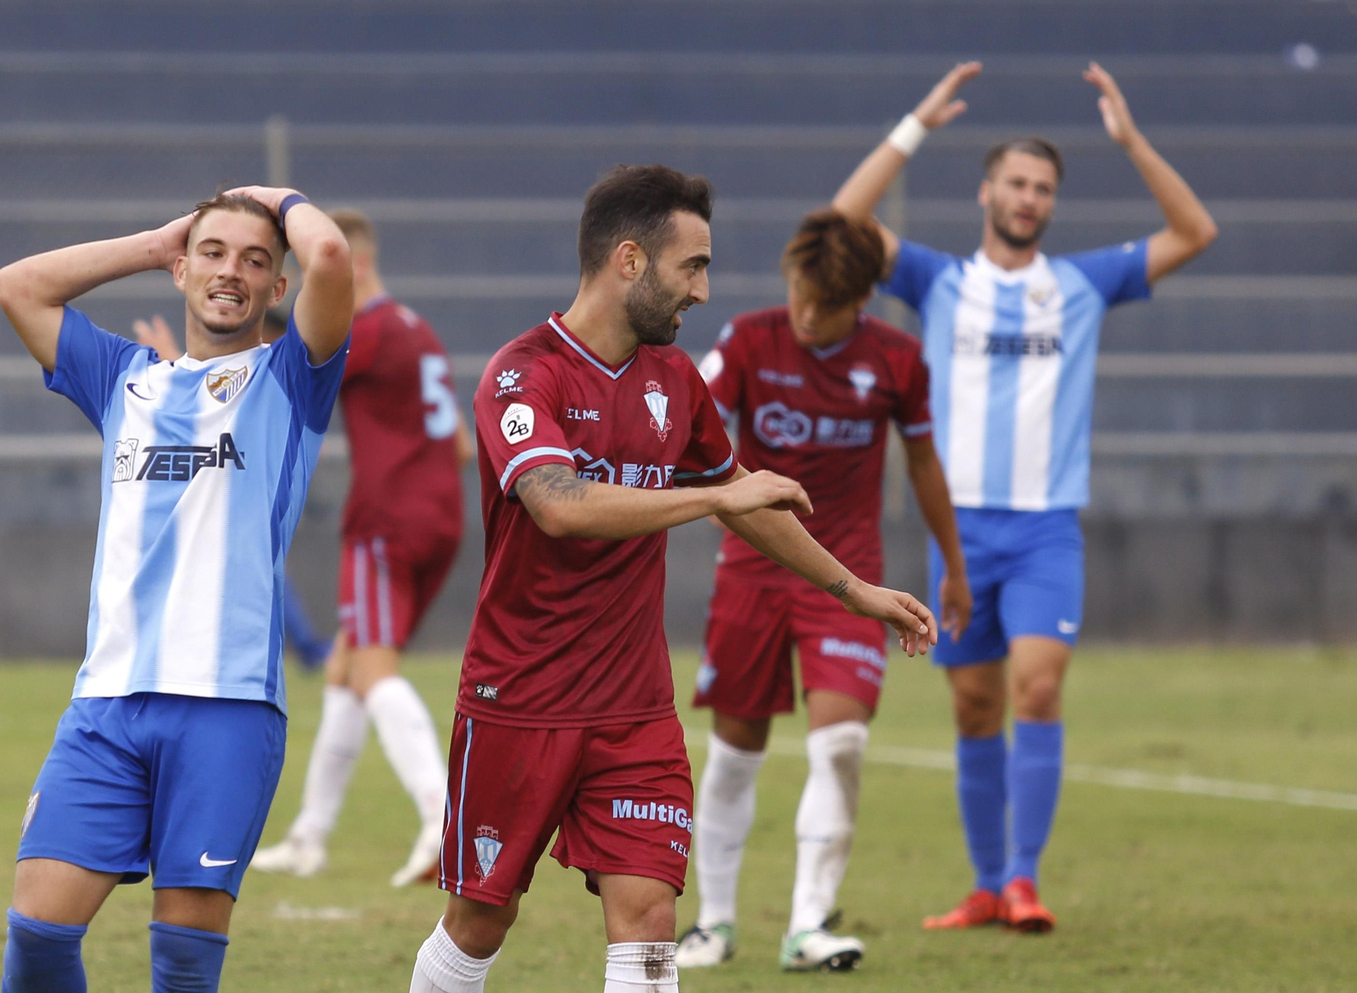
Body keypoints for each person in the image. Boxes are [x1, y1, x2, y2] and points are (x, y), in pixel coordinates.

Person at [407, 164, 936, 993]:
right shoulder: (522, 375)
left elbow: (745, 504)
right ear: (629, 261)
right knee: (482, 920)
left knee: (650, 922)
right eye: (692, 266)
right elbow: (560, 506)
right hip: (521, 700)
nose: (704, 290)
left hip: (635, 708)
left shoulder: (673, 379)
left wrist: (854, 591)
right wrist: (712, 496)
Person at [832, 61, 1217, 932]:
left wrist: (1131, 141)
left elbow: (1195, 229)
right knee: (974, 704)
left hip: (1046, 529)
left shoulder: (1084, 282)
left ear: (1051, 203)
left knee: (1037, 691)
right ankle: (983, 884)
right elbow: (840, 222)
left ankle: (1023, 879)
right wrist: (914, 125)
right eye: (1015, 181)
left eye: (1042, 187)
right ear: (986, 191)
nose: (1028, 197)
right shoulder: (936, 279)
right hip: (956, 530)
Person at [0, 184, 353, 992]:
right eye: (214, 254)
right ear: (184, 268)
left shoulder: (292, 380)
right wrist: (154, 243)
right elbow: (19, 285)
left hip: (225, 711)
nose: (233, 272)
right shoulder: (123, 376)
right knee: (38, 931)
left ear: (277, 289)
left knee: (182, 966)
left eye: (256, 261)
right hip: (107, 707)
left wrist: (279, 197)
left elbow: (329, 254)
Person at [674, 208, 972, 973]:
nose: (808, 314)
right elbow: (684, 422)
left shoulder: (899, 361)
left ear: (862, 302)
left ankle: (808, 923)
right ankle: (713, 921)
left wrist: (954, 566)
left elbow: (927, 468)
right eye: (802, 293)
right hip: (751, 571)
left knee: (840, 742)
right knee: (736, 752)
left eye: (827, 306)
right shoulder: (747, 340)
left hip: (849, 577)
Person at [252, 208, 475, 887]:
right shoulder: (416, 327)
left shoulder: (366, 333)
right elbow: (462, 443)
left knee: (373, 668)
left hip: (387, 518)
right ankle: (309, 836)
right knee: (348, 672)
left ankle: (445, 821)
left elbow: (290, 377)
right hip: (442, 513)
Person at [132, 310, 334, 671]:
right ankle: (307, 649)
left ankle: (306, 648)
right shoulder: (253, 377)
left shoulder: (281, 379)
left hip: (244, 504)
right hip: (229, 505)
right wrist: (176, 366)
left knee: (259, 573)